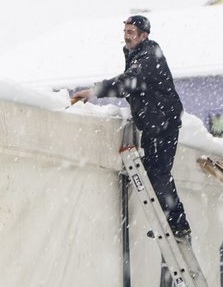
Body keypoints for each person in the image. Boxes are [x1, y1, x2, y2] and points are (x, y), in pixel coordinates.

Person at [71, 15, 191, 238]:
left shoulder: (148, 57)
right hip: (155, 123)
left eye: (131, 33)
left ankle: (176, 222)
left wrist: (95, 91)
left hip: (162, 123)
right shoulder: (139, 54)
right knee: (154, 170)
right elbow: (130, 82)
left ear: (143, 36)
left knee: (158, 173)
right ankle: (172, 221)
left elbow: (128, 82)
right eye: (125, 32)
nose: (126, 37)